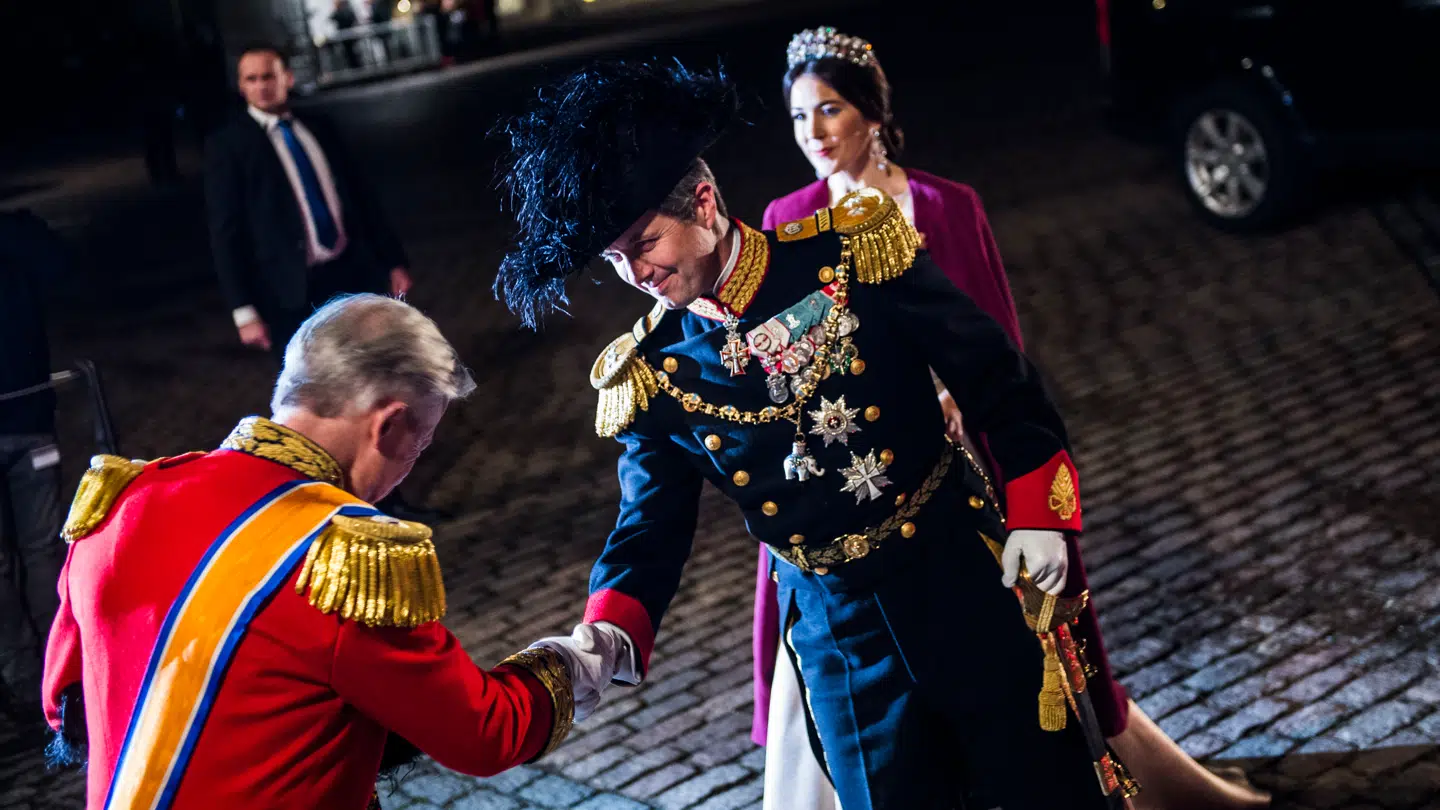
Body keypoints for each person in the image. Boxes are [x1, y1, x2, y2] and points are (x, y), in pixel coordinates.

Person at [496, 59, 1131, 810]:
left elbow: (999, 379)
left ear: (703, 201)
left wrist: (1036, 512)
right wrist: (603, 636)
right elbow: (649, 527)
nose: (636, 273)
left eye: (644, 243)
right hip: (838, 641)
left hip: (957, 577)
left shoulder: (852, 255)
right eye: (614, 260)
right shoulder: (652, 372)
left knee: (1044, 790)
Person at [755, 28, 1271, 810]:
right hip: (851, 487)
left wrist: (957, 402)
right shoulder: (787, 218)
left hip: (958, 472)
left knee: (1011, 655)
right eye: (799, 117)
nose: (813, 134)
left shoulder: (945, 206)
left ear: (873, 112)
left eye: (829, 109)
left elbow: (997, 345)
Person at [40, 295, 590, 809]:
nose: (412, 462)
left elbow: (65, 707)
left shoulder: (124, 497)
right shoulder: (342, 555)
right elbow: (486, 734)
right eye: (420, 443)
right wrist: (579, 660)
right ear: (390, 423)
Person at [204, 43, 412, 362]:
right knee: (312, 380)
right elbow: (225, 232)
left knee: (372, 365)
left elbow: (361, 199)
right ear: (241, 86)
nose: (261, 86)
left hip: (350, 273)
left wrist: (393, 260)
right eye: (251, 79)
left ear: (287, 78)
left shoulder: (319, 127)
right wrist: (243, 310)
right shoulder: (228, 146)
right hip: (288, 293)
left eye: (268, 77)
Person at [0, 209, 70, 729]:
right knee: (42, 550)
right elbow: (63, 270)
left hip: (29, 421)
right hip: (29, 416)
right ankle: (57, 670)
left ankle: (25, 681)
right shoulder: (17, 234)